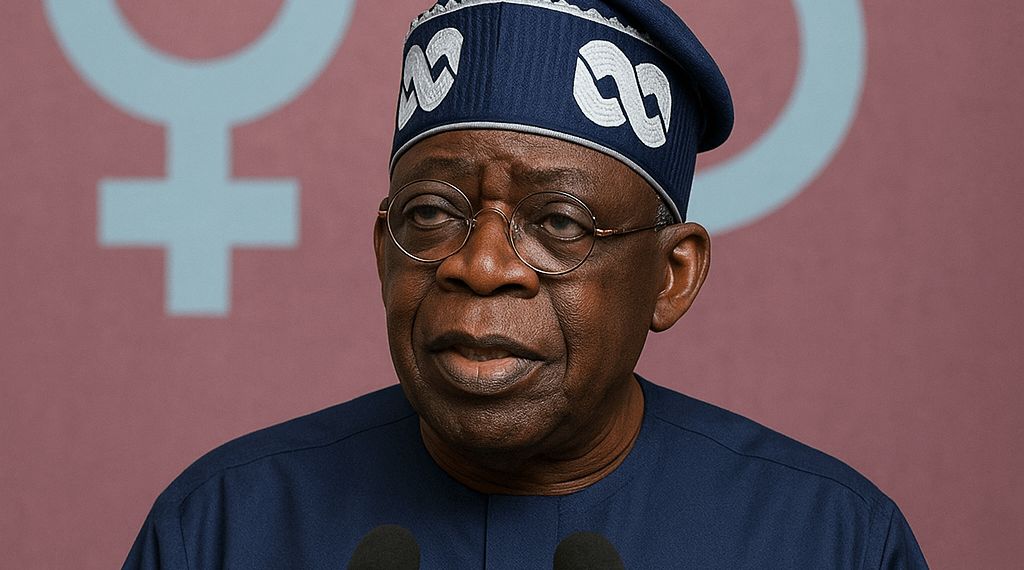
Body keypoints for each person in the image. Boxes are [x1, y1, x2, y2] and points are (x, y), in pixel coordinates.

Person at [124, 1, 928, 568]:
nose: (480, 266)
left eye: (559, 223)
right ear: (382, 252)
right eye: (433, 213)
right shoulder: (223, 530)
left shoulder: (830, 541)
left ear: (671, 277)